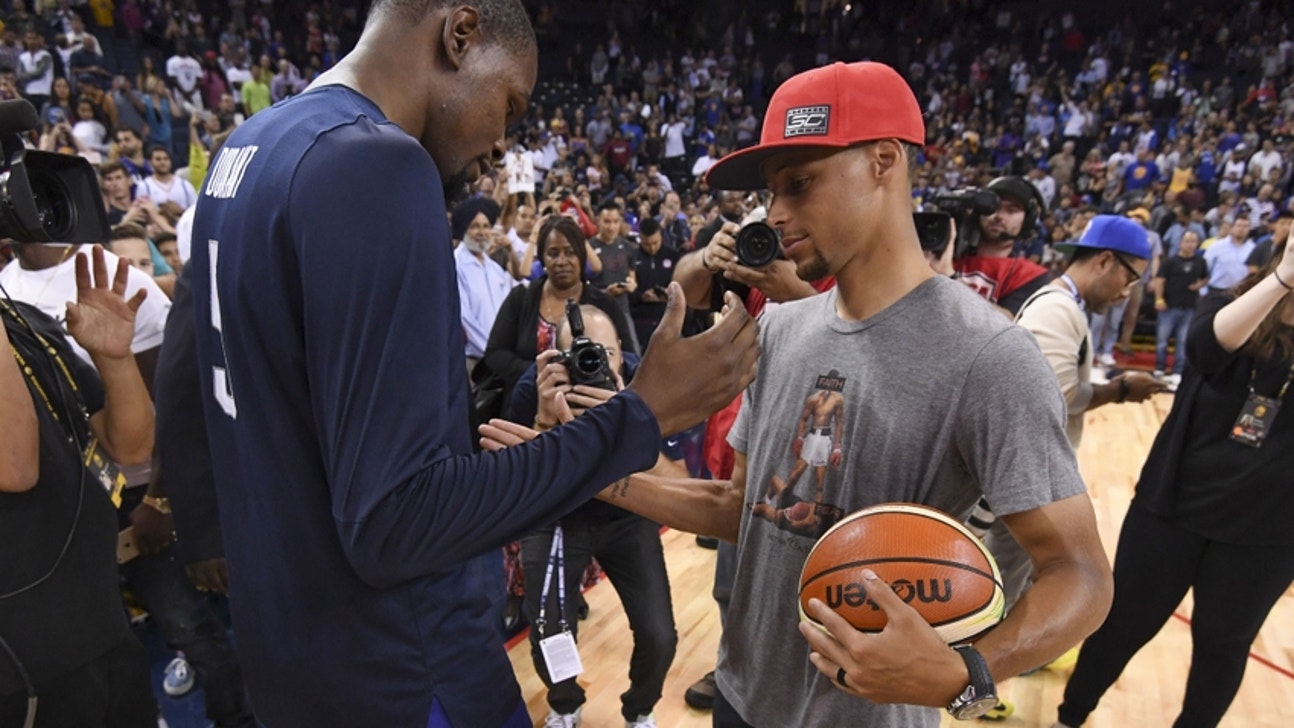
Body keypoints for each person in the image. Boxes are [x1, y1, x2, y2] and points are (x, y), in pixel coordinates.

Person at [486, 61, 1113, 728]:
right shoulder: (780, 326)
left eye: (800, 184)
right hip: (740, 695)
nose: (775, 214)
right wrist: (579, 471)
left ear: (883, 162)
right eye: (770, 191)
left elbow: (1079, 574)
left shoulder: (989, 354)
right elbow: (744, 506)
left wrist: (968, 672)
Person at [187, 1, 757, 725]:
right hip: (398, 666)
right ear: (460, 36)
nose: (501, 143)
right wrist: (637, 418)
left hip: (286, 657)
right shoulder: (378, 162)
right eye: (510, 104)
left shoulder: (246, 148)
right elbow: (397, 522)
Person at [1054, 234, 1294, 728]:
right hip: (1173, 506)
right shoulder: (1235, 302)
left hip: (1266, 532)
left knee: (1223, 645)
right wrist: (1283, 281)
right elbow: (1205, 349)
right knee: (1122, 624)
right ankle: (1069, 717)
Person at [0, 246, 159, 727]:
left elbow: (130, 447)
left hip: (100, 620)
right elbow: (15, 465)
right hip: (21, 667)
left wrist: (114, 359)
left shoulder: (23, 319)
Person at [509, 306, 683, 728]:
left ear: (622, 354)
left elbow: (680, 479)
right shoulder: (534, 387)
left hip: (626, 514)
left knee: (660, 635)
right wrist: (544, 423)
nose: (594, 365)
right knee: (548, 630)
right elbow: (511, 486)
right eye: (580, 356)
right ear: (560, 360)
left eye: (604, 354)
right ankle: (565, 703)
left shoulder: (645, 387)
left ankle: (640, 708)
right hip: (556, 518)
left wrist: (627, 416)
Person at [954, 175, 1052, 316]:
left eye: (1011, 210)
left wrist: (950, 278)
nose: (998, 215)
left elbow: (1007, 323)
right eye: (992, 207)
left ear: (1028, 221)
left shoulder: (1031, 276)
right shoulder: (948, 254)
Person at [1153, 230, 1210, 385]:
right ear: (1180, 242)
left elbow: (1205, 277)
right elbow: (1160, 281)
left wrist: (1199, 285)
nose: (1190, 244)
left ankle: (1177, 371)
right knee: (1162, 339)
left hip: (1190, 306)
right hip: (1169, 306)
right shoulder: (1170, 261)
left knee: (1183, 341)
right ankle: (1159, 368)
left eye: (1193, 241)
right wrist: (1159, 299)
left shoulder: (1201, 261)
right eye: (1187, 240)